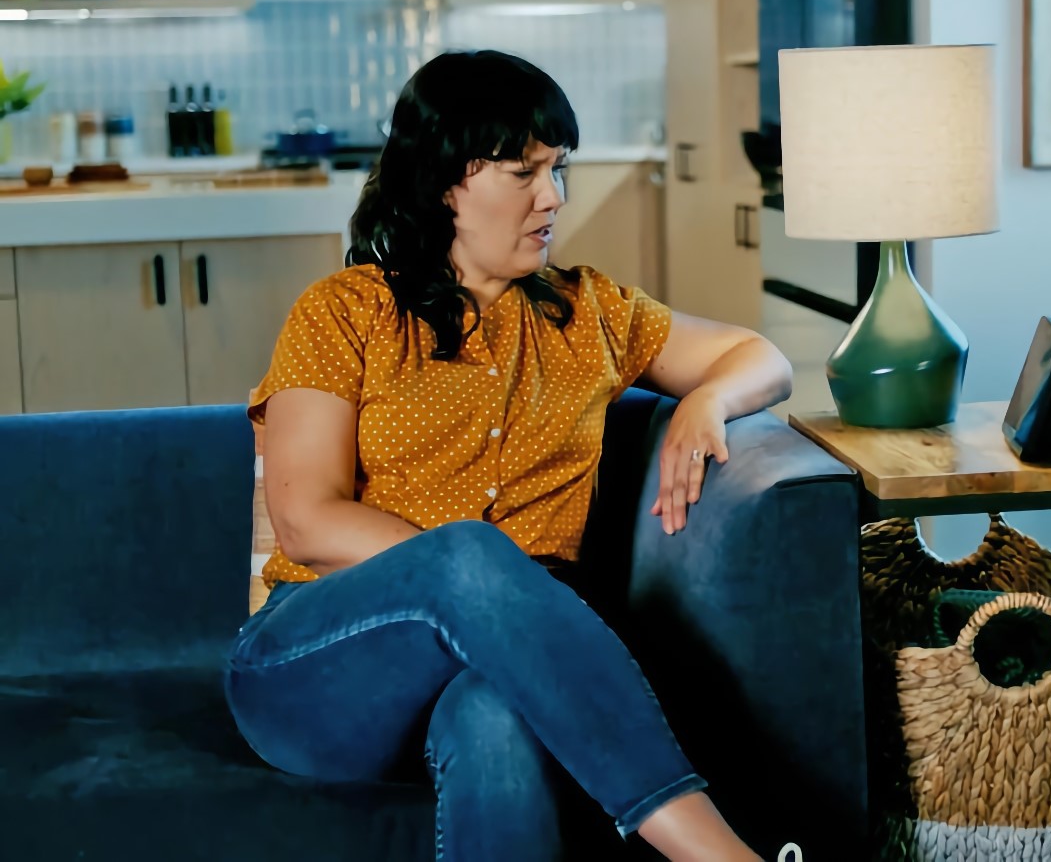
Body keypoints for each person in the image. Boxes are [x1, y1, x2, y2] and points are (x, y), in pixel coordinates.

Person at [223, 49, 802, 861]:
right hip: (317, 669)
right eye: (523, 172)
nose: (554, 198)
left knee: (494, 712)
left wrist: (706, 398)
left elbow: (760, 356)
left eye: (558, 169)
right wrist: (487, 574)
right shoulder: (344, 312)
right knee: (467, 552)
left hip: (507, 661)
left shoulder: (589, 311)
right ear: (444, 181)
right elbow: (308, 521)